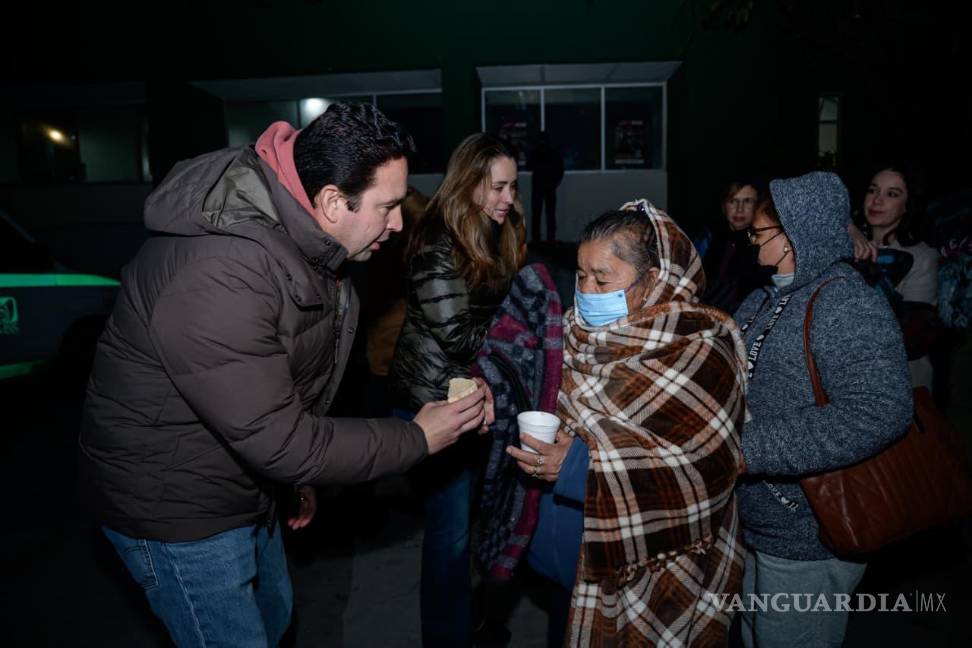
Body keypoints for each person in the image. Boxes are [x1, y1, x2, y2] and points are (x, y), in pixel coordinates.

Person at [78, 102, 493, 647]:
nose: (398, 223)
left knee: (275, 619)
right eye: (388, 206)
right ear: (329, 202)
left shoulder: (308, 234)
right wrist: (418, 436)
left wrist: (293, 475)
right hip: (176, 509)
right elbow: (280, 438)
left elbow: (278, 392)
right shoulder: (220, 273)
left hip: (246, 479)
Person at [508, 203, 748, 646]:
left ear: (655, 278)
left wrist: (579, 465)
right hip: (571, 573)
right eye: (581, 276)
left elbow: (705, 469)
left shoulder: (700, 350)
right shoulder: (571, 334)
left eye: (603, 278)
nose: (587, 291)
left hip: (651, 573)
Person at [733, 172, 912, 648]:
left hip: (810, 533)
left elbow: (881, 409)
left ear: (795, 234)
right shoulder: (763, 297)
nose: (752, 240)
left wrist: (749, 448)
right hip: (758, 523)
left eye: (761, 232)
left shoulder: (845, 302)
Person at [388, 133, 527, 647]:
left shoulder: (494, 230)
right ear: (467, 183)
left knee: (467, 526)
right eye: (498, 188)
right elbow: (460, 334)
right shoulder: (434, 240)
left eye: (513, 187)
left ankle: (460, 620)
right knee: (449, 538)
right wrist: (522, 330)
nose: (508, 200)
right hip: (428, 403)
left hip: (468, 397)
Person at [851, 163, 940, 389]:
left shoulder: (921, 257)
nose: (877, 200)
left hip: (898, 383)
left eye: (892, 194)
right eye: (873, 190)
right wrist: (849, 229)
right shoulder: (844, 246)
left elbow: (912, 337)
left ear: (907, 206)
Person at [698, 180, 769, 313]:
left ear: (758, 206)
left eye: (747, 201)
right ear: (724, 206)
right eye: (733, 201)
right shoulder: (708, 237)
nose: (739, 209)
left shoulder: (763, 245)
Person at [526, 130, 565, 242]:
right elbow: (560, 170)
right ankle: (546, 240)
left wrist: (554, 183)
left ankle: (540, 240)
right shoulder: (550, 153)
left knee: (541, 215)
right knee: (546, 215)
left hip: (543, 187)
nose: (542, 142)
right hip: (545, 187)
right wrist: (554, 182)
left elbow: (560, 170)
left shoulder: (540, 152)